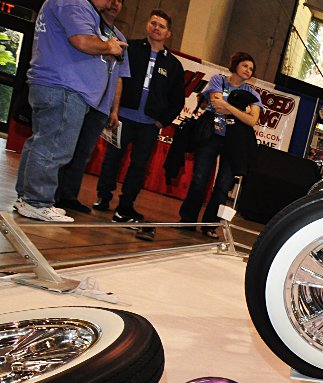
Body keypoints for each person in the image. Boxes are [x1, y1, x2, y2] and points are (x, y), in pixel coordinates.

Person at [14, 0, 127, 222]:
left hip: (56, 85)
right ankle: (37, 201)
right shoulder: (74, 2)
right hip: (64, 87)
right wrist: (109, 47)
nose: (111, 2)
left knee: (41, 142)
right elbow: (82, 40)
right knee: (55, 146)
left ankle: (27, 197)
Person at [93, 9, 184, 241]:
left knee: (139, 166)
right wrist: (113, 109)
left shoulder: (173, 65)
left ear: (168, 33)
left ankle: (126, 206)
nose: (156, 28)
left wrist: (161, 121)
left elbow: (177, 100)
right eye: (153, 23)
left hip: (149, 124)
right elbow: (116, 78)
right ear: (147, 25)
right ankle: (103, 197)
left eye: (161, 26)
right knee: (112, 158)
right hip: (122, 116)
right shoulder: (130, 48)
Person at [53, 0, 129, 215]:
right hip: (80, 96)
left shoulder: (121, 39)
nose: (114, 4)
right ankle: (49, 195)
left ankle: (68, 196)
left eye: (119, 1)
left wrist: (114, 110)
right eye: (111, 0)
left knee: (83, 153)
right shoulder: (88, 26)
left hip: (101, 106)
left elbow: (119, 77)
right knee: (62, 147)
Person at [178, 51, 262, 238]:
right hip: (211, 136)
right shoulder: (218, 80)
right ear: (235, 65)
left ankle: (210, 225)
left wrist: (229, 107)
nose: (248, 70)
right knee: (199, 179)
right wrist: (241, 111)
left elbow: (252, 120)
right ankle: (188, 220)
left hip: (235, 141)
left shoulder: (253, 94)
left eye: (251, 68)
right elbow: (216, 104)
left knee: (223, 186)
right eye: (245, 65)